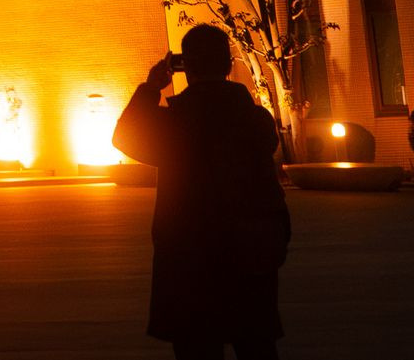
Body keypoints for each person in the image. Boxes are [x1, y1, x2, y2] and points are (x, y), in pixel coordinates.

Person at [112, 26, 290, 360]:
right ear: (228, 64)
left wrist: (151, 88)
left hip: (188, 252)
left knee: (197, 346)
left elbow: (125, 137)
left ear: (185, 67)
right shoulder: (255, 119)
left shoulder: (175, 123)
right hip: (250, 248)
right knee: (256, 344)